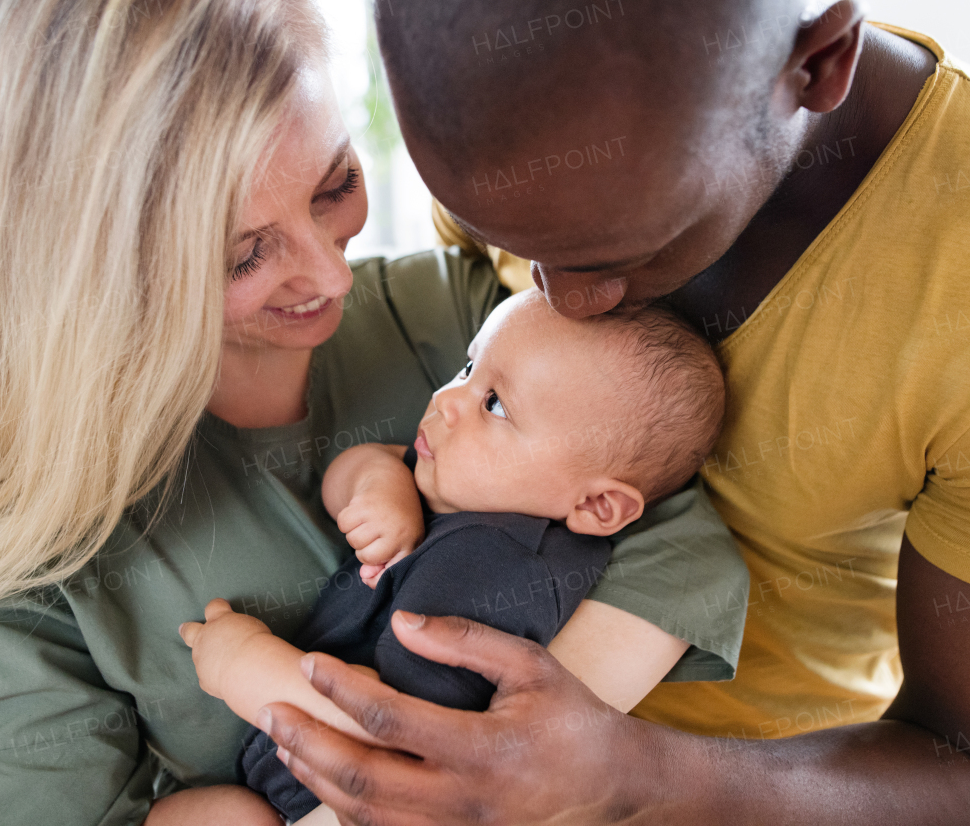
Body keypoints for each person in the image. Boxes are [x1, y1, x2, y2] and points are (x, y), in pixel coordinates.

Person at [0, 0, 748, 824]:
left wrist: (506, 772)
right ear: (96, 264)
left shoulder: (461, 319)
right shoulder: (26, 554)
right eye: (243, 256)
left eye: (335, 185)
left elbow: (677, 536)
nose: (333, 276)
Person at [255, 0, 970, 823]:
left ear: (817, 65)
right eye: (514, 239)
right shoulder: (508, 114)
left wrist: (633, 773)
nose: (562, 297)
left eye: (616, 251)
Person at [167, 289, 728, 825]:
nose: (447, 399)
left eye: (496, 405)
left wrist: (247, 666)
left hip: (344, 798)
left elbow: (395, 731)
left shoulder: (494, 565)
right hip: (288, 784)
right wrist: (379, 486)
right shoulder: (468, 491)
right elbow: (361, 463)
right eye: (467, 369)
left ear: (598, 504)